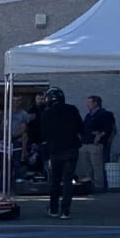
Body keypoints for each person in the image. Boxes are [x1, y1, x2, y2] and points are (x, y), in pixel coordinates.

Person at [40, 87, 83, 219]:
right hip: (71, 149)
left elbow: (43, 134)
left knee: (55, 180)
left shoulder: (47, 114)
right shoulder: (72, 109)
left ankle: (53, 208)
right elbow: (81, 127)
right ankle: (65, 210)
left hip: (55, 150)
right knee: (68, 180)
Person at [77, 95, 116, 190]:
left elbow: (109, 129)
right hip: (85, 143)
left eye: (89, 103)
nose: (87, 105)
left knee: (97, 167)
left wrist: (100, 135)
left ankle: (99, 187)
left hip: (95, 145)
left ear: (95, 103)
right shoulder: (88, 115)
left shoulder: (105, 114)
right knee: (87, 167)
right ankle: (90, 186)